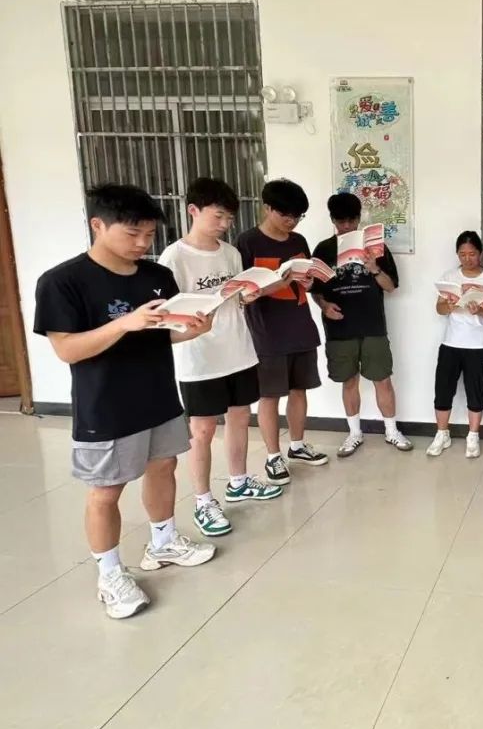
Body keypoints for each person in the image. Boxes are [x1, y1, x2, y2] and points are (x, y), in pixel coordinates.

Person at [33, 184, 216, 619]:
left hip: (158, 394)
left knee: (164, 466)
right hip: (106, 405)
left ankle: (163, 541)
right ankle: (110, 574)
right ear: (98, 225)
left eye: (149, 234)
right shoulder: (63, 281)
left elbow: (162, 333)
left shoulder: (157, 276)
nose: (142, 243)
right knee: (105, 490)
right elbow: (67, 349)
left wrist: (193, 330)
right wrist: (123, 324)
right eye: (132, 233)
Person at [158, 178, 284, 538]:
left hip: (238, 350)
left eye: (229, 218)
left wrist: (249, 295)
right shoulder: (174, 258)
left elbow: (236, 298)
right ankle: (203, 501)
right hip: (199, 357)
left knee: (240, 417)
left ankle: (239, 482)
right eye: (218, 216)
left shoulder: (231, 254)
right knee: (202, 430)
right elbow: (169, 314)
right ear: (193, 211)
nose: (225, 224)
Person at [236, 178, 328, 486]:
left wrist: (309, 282)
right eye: (285, 214)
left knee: (300, 390)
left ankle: (297, 445)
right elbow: (243, 293)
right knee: (270, 395)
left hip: (300, 325)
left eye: (298, 216)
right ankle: (273, 456)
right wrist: (280, 282)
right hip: (267, 332)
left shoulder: (298, 241)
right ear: (267, 208)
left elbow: (306, 281)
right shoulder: (248, 242)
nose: (292, 221)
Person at [311, 192, 413, 456]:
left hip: (372, 326)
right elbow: (316, 290)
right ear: (333, 220)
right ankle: (354, 433)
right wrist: (324, 306)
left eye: (351, 220)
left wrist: (374, 268)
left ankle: (391, 431)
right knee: (348, 382)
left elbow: (391, 287)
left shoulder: (377, 248)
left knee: (383, 380)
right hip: (339, 327)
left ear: (359, 218)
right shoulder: (323, 249)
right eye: (340, 221)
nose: (346, 226)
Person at [427, 231, 483, 458]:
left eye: (472, 254)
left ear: (480, 254)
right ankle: (442, 434)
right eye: (462, 254)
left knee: (475, 392)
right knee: (443, 390)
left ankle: (473, 436)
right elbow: (439, 308)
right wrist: (450, 306)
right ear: (457, 254)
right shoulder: (450, 276)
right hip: (451, 343)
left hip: (479, 345)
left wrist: (480, 310)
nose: (467, 259)